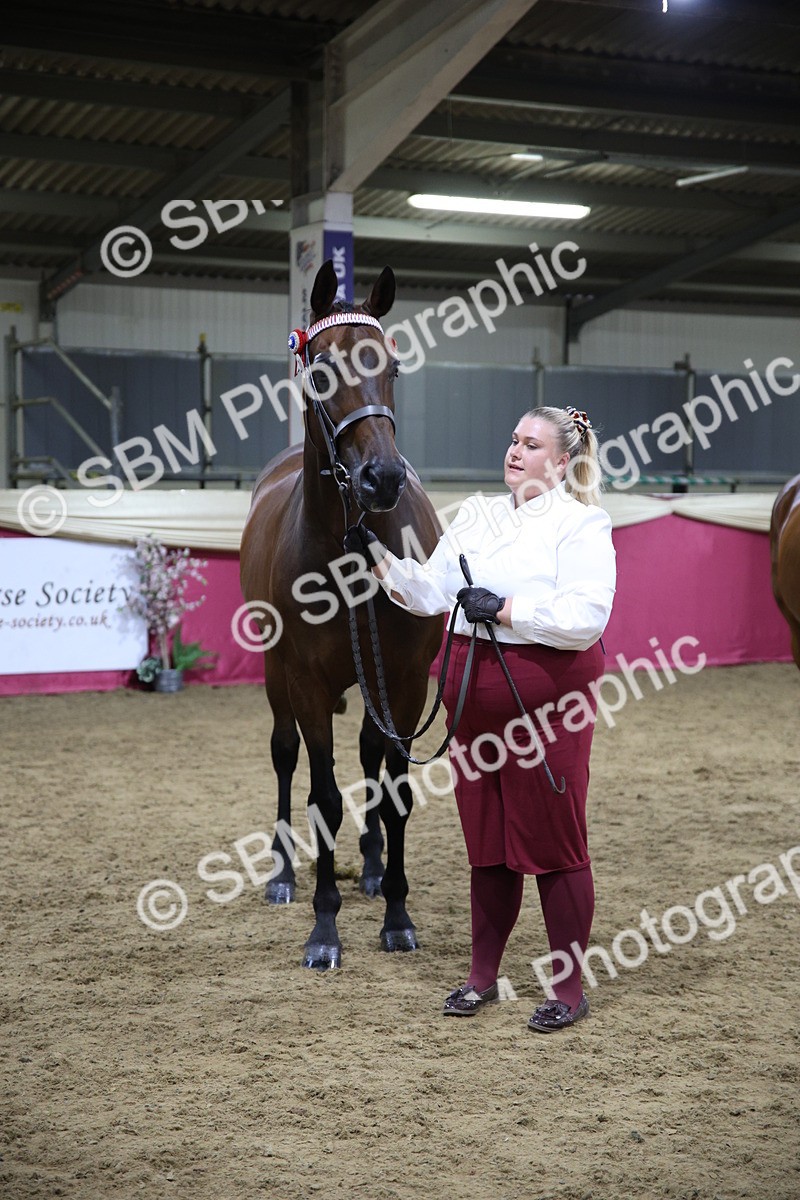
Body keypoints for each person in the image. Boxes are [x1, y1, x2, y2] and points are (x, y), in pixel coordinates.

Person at [351, 405, 616, 1033]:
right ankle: (481, 977)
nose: (515, 451)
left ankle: (568, 989)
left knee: (555, 848)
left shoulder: (582, 523)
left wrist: (504, 608)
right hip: (472, 707)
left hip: (546, 712)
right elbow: (430, 592)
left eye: (532, 444)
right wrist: (379, 559)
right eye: (513, 439)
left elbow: (587, 617)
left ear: (562, 462)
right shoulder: (476, 514)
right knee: (488, 847)